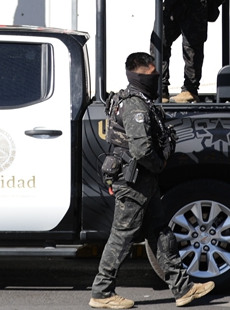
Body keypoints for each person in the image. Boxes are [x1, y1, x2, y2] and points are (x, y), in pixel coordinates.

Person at [89, 52, 215, 310]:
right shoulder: (135, 105)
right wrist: (160, 165)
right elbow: (142, 150)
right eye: (152, 73)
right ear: (138, 74)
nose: (157, 77)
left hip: (142, 180)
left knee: (160, 233)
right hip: (134, 181)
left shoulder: (136, 100)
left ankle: (183, 289)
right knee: (122, 237)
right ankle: (102, 292)